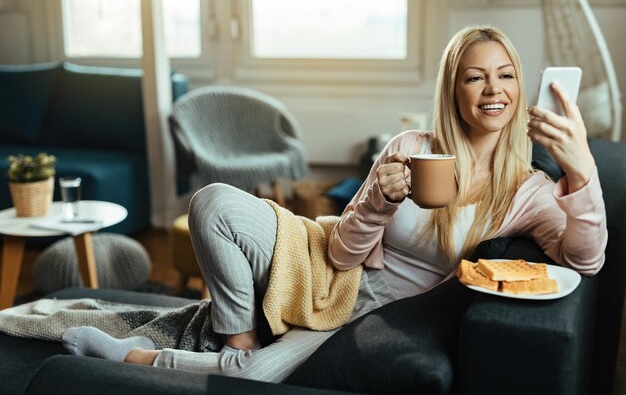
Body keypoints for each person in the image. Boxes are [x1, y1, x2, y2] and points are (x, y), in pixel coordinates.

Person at [61, 24, 606, 383]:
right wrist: (377, 204)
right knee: (212, 204)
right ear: (454, 90)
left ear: (518, 89)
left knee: (253, 377)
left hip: (375, 310)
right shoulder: (411, 149)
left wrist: (581, 168)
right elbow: (344, 253)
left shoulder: (528, 188)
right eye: (475, 76)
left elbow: (586, 260)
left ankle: (143, 358)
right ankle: (239, 335)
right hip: (329, 265)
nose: (494, 88)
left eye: (506, 75)